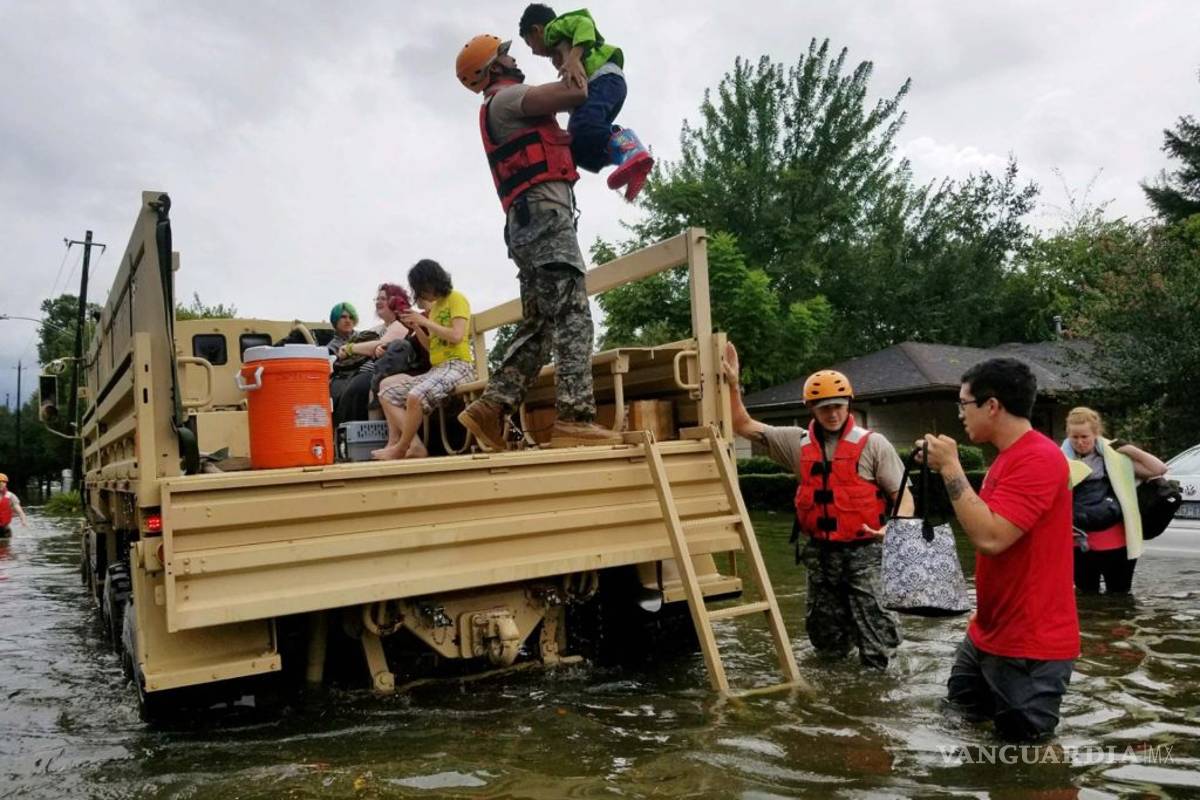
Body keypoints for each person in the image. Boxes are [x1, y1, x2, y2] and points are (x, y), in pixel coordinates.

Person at [454, 34, 622, 451]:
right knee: (573, 315)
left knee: (541, 325)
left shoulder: (499, 105)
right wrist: (571, 55)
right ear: (494, 68)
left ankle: (491, 408)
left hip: (528, 224)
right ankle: (574, 419)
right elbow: (576, 92)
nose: (517, 58)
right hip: (545, 221)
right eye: (508, 54)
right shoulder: (508, 100)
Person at [919, 357, 1078, 742]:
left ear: (992, 406)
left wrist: (950, 468)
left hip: (1030, 647)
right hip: (988, 633)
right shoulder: (1008, 458)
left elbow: (991, 538)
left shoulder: (1038, 458)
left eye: (964, 404)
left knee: (1024, 763)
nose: (960, 414)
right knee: (958, 727)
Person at [722, 343, 909, 669]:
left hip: (867, 553)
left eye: (838, 406)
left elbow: (903, 495)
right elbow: (742, 425)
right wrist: (734, 384)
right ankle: (834, 697)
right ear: (811, 408)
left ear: (848, 404)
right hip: (820, 556)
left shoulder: (873, 444)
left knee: (879, 640)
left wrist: (895, 527)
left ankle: (881, 697)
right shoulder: (795, 442)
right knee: (825, 641)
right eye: (824, 408)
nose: (833, 413)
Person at [518, 4, 653, 201]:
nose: (533, 52)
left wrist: (573, 57)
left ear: (537, 30)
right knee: (578, 145)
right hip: (604, 86)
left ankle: (630, 149)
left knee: (583, 124)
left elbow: (584, 23)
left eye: (530, 44)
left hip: (604, 78)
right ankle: (629, 162)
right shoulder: (559, 45)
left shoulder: (554, 28)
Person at [372, 260, 476, 460]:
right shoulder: (435, 308)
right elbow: (431, 347)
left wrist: (425, 321)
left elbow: (456, 335)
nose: (420, 294)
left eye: (420, 288)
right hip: (439, 368)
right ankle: (410, 445)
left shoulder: (457, 299)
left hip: (460, 365)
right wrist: (417, 327)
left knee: (416, 396)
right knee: (387, 392)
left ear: (431, 281)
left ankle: (403, 448)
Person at [1062, 406, 1166, 595]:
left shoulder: (1116, 458)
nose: (1079, 442)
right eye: (1074, 437)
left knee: (1120, 598)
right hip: (1077, 543)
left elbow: (1158, 469)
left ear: (1096, 434)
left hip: (1117, 543)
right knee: (1086, 599)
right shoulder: (1058, 460)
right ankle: (1095, 626)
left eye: (1084, 437)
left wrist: (1131, 450)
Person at [332, 285, 409, 426]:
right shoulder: (377, 329)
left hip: (381, 375)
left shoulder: (400, 325)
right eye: (377, 298)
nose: (378, 302)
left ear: (395, 301)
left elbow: (381, 344)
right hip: (361, 374)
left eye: (384, 298)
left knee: (359, 387)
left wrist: (350, 348)